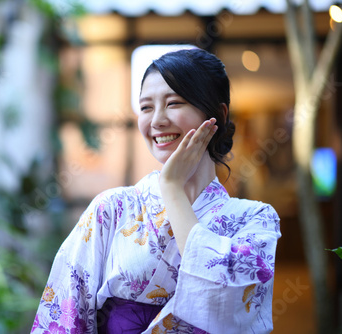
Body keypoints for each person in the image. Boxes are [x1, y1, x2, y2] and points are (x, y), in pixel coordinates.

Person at [31, 46, 281, 334]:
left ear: (218, 114)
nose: (157, 120)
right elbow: (63, 318)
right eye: (146, 107)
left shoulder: (256, 220)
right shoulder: (111, 209)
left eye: (173, 103)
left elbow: (225, 307)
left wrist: (173, 189)